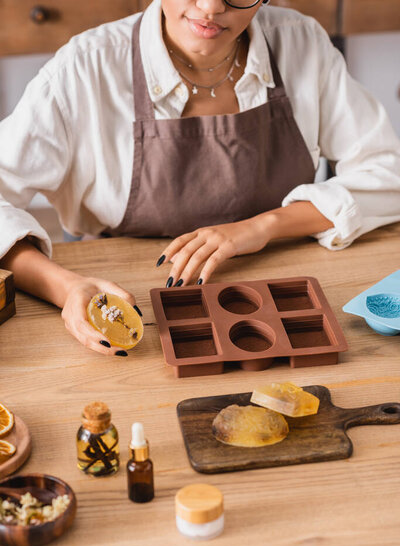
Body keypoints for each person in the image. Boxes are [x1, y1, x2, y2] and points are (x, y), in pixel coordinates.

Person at [1, 0, 400, 355]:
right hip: (124, 292)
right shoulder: (85, 67)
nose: (210, 7)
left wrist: (263, 226)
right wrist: (66, 288)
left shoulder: (301, 43)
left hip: (282, 277)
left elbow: (388, 172)